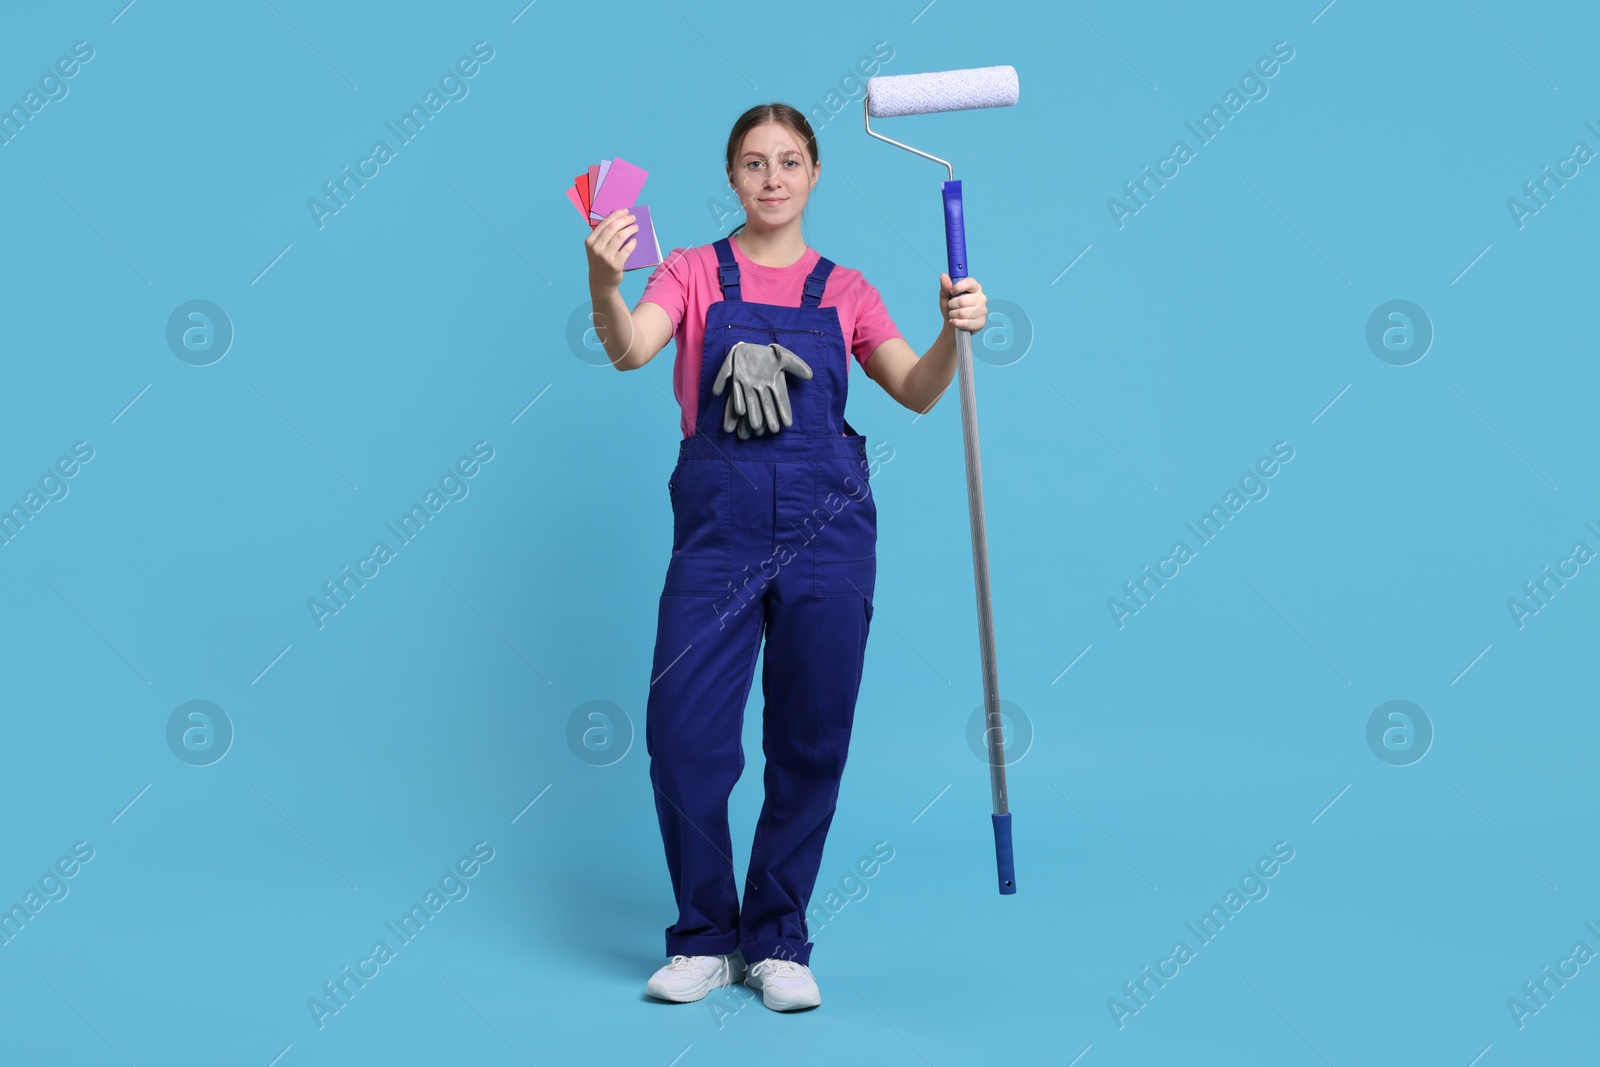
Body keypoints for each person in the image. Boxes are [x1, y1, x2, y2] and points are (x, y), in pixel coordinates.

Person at [583, 102, 986, 1012]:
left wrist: (952, 333)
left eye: (791, 161)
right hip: (718, 535)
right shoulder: (688, 271)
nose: (772, 178)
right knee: (683, 739)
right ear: (731, 176)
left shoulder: (846, 291)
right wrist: (602, 282)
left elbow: (917, 393)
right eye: (755, 163)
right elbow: (631, 351)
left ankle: (776, 938)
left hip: (828, 533)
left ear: (814, 175)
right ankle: (703, 936)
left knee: (810, 740)